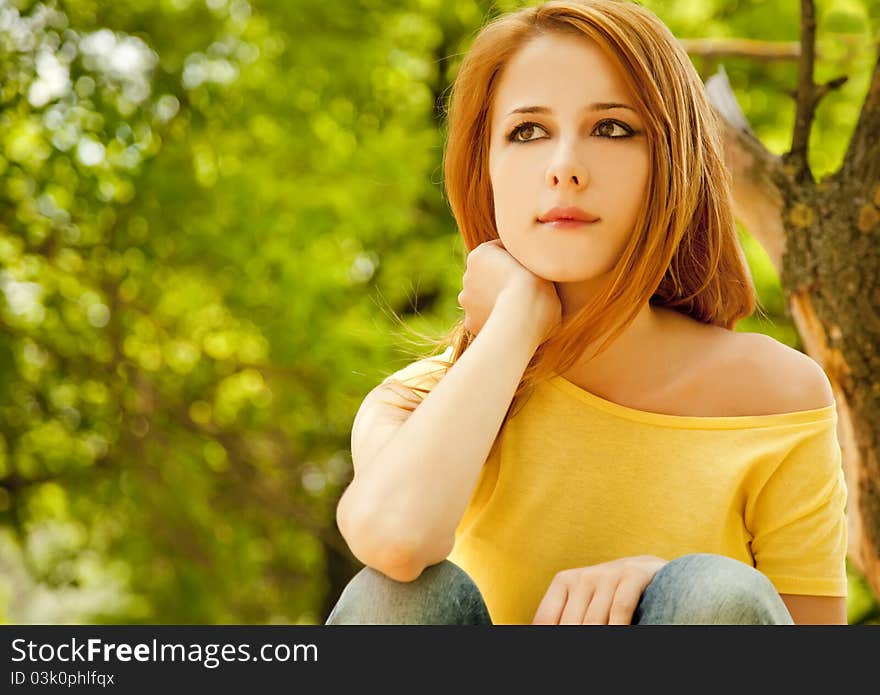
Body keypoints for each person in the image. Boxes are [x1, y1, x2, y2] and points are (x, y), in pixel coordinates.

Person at [327, 0, 848, 625]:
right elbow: (395, 543)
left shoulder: (774, 396)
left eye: (611, 129)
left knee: (714, 592)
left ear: (671, 164)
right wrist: (518, 318)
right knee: (397, 594)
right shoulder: (417, 402)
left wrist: (665, 581)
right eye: (527, 132)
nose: (564, 168)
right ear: (484, 170)